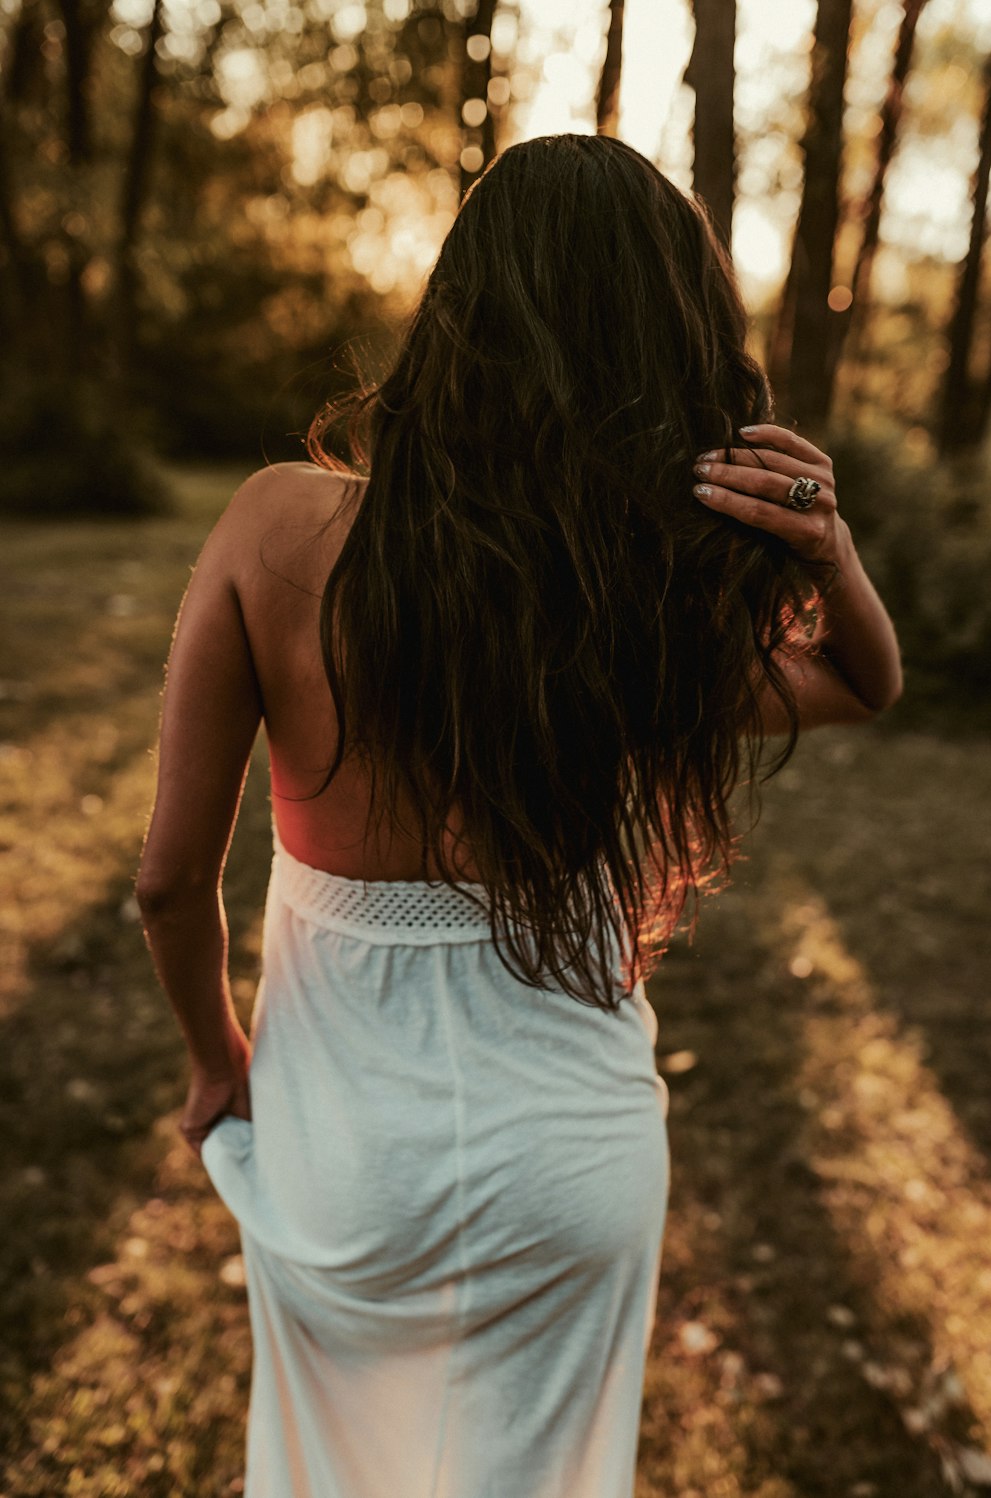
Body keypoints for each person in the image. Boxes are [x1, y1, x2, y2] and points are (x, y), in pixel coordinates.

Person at [136, 134, 902, 1498]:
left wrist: (216, 1060)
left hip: (344, 1169)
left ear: (459, 314)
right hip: (578, 1164)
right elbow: (862, 678)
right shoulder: (625, 605)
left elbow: (165, 881)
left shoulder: (272, 530)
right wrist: (826, 545)